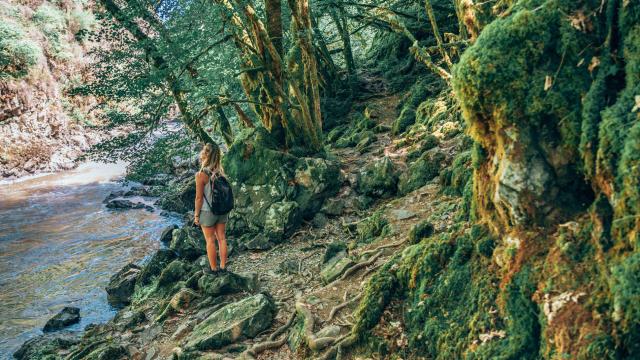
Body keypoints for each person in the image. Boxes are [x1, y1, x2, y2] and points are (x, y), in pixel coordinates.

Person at [194, 143, 228, 274]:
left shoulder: (201, 174)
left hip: (207, 212)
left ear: (206, 154)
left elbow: (198, 198)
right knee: (222, 238)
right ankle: (224, 267)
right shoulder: (221, 171)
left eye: (203, 151)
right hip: (222, 210)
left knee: (210, 240)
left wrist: (196, 216)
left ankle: (213, 269)